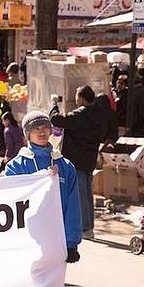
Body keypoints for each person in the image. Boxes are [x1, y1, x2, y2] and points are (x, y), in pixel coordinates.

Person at [5, 110, 82, 287]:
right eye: (36, 128)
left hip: (57, 242)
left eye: (45, 127)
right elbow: (7, 200)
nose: (41, 132)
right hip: (31, 241)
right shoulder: (17, 165)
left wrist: (72, 241)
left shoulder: (66, 167)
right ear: (26, 134)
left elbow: (73, 205)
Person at [50, 86, 107, 238]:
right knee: (87, 193)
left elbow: (56, 119)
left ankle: (84, 228)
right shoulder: (99, 113)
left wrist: (54, 104)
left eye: (76, 96)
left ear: (81, 98)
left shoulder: (81, 114)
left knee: (80, 194)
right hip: (89, 158)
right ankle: (88, 226)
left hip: (77, 158)